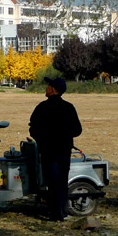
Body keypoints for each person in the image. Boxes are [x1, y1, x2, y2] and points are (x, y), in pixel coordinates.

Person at [29, 77, 82, 221]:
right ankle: (63, 211)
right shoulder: (69, 107)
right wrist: (64, 136)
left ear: (52, 89)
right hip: (64, 151)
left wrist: (41, 139)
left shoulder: (42, 107)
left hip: (48, 152)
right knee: (63, 181)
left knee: (52, 182)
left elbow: (32, 128)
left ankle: (55, 213)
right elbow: (78, 130)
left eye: (48, 86)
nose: (46, 88)